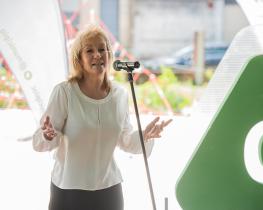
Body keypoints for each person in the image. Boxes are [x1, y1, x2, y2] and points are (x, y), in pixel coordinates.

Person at [32, 24, 172, 210]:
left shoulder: (119, 95)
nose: (97, 55)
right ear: (79, 59)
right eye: (89, 50)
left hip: (109, 190)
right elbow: (39, 142)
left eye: (102, 49)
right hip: (69, 190)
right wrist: (48, 135)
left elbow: (126, 141)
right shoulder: (65, 93)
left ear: (109, 55)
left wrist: (144, 136)